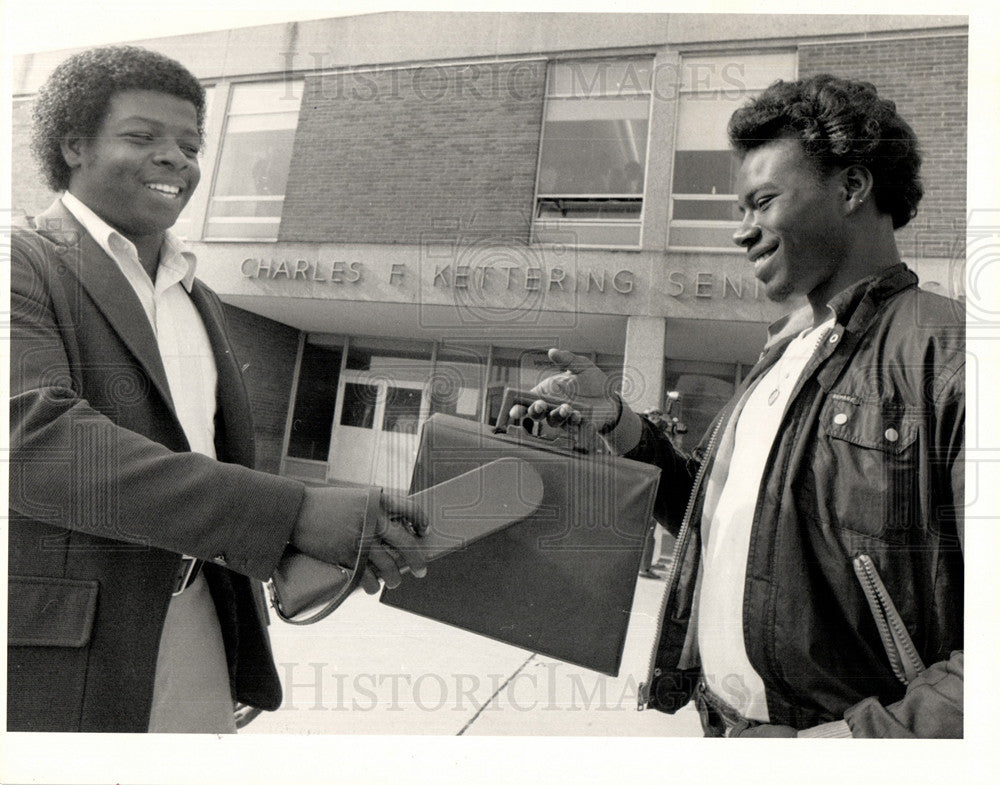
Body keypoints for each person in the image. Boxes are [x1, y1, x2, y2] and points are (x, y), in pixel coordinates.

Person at [518, 75, 964, 737]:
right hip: (721, 729)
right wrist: (615, 419)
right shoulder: (778, 359)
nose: (741, 232)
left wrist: (845, 747)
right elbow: (714, 515)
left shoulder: (948, 349)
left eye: (763, 202)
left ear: (851, 188)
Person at [8, 45, 428, 733]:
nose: (177, 158)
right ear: (73, 144)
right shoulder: (20, 260)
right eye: (143, 137)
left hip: (202, 617)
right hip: (66, 648)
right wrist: (291, 512)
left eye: (190, 144)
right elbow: (36, 445)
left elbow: (205, 456)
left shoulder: (196, 295)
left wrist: (300, 540)